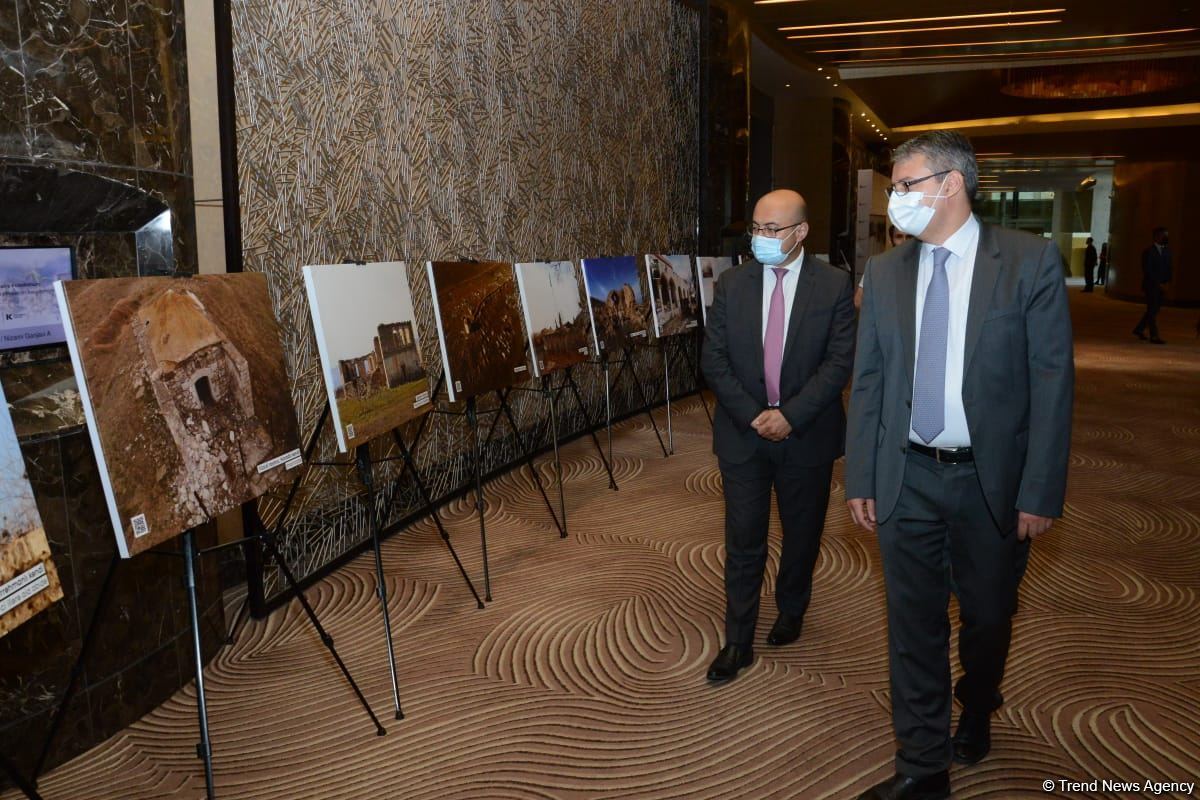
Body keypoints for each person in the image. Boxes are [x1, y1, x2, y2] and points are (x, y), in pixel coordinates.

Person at [845, 131, 1074, 800]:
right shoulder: (886, 271)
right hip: (906, 475)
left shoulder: (1027, 262)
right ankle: (922, 765)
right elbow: (870, 378)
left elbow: (1052, 383)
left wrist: (1039, 491)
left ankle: (977, 704)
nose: (895, 198)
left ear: (950, 184)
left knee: (988, 617)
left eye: (904, 185)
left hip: (989, 483)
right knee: (911, 623)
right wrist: (862, 474)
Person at [701, 189, 856, 683]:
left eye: (773, 230)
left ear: (801, 232)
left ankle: (792, 609)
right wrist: (754, 415)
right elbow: (714, 360)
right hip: (742, 434)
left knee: (802, 535)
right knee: (743, 538)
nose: (761, 239)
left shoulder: (833, 285)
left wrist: (790, 415)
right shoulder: (731, 284)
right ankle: (737, 639)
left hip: (806, 434)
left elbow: (838, 365)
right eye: (756, 229)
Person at [856, 226, 912, 310]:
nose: (904, 241)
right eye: (899, 237)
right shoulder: (877, 267)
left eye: (909, 237)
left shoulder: (922, 266)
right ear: (891, 240)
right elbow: (858, 301)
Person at [1133, 227, 1171, 344]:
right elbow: (1148, 270)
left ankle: (1139, 329)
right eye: (1164, 235)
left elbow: (1169, 268)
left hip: (1162, 286)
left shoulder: (1167, 251)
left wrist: (1167, 282)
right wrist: (1158, 283)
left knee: (1154, 310)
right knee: (1152, 310)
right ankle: (1154, 336)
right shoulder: (1148, 251)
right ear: (1156, 237)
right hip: (1151, 286)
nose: (1166, 238)